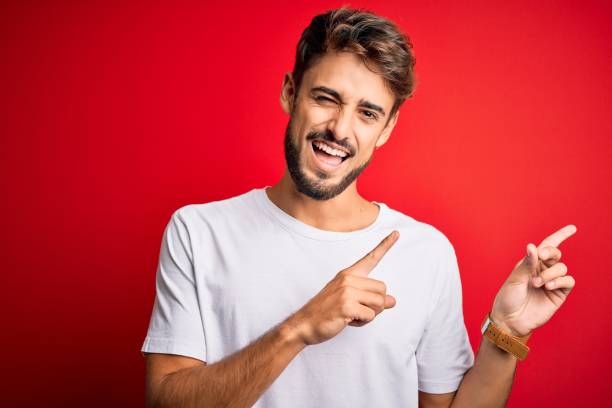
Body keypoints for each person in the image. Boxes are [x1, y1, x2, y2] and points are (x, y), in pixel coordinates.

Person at [141, 7, 577, 407]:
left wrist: (506, 334)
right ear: (290, 93)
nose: (339, 129)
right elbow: (166, 401)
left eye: (368, 113)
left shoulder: (426, 251)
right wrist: (300, 329)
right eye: (326, 98)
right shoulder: (198, 231)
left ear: (387, 129)